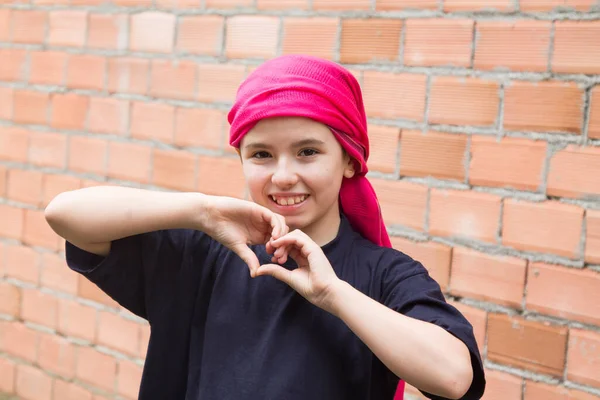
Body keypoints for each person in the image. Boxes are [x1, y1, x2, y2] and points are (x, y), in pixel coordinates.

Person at [45, 54, 485, 400]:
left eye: (308, 151)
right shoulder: (204, 254)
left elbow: (453, 377)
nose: (283, 176)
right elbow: (65, 214)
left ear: (350, 160)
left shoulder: (386, 274)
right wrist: (200, 210)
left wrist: (334, 295)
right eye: (261, 155)